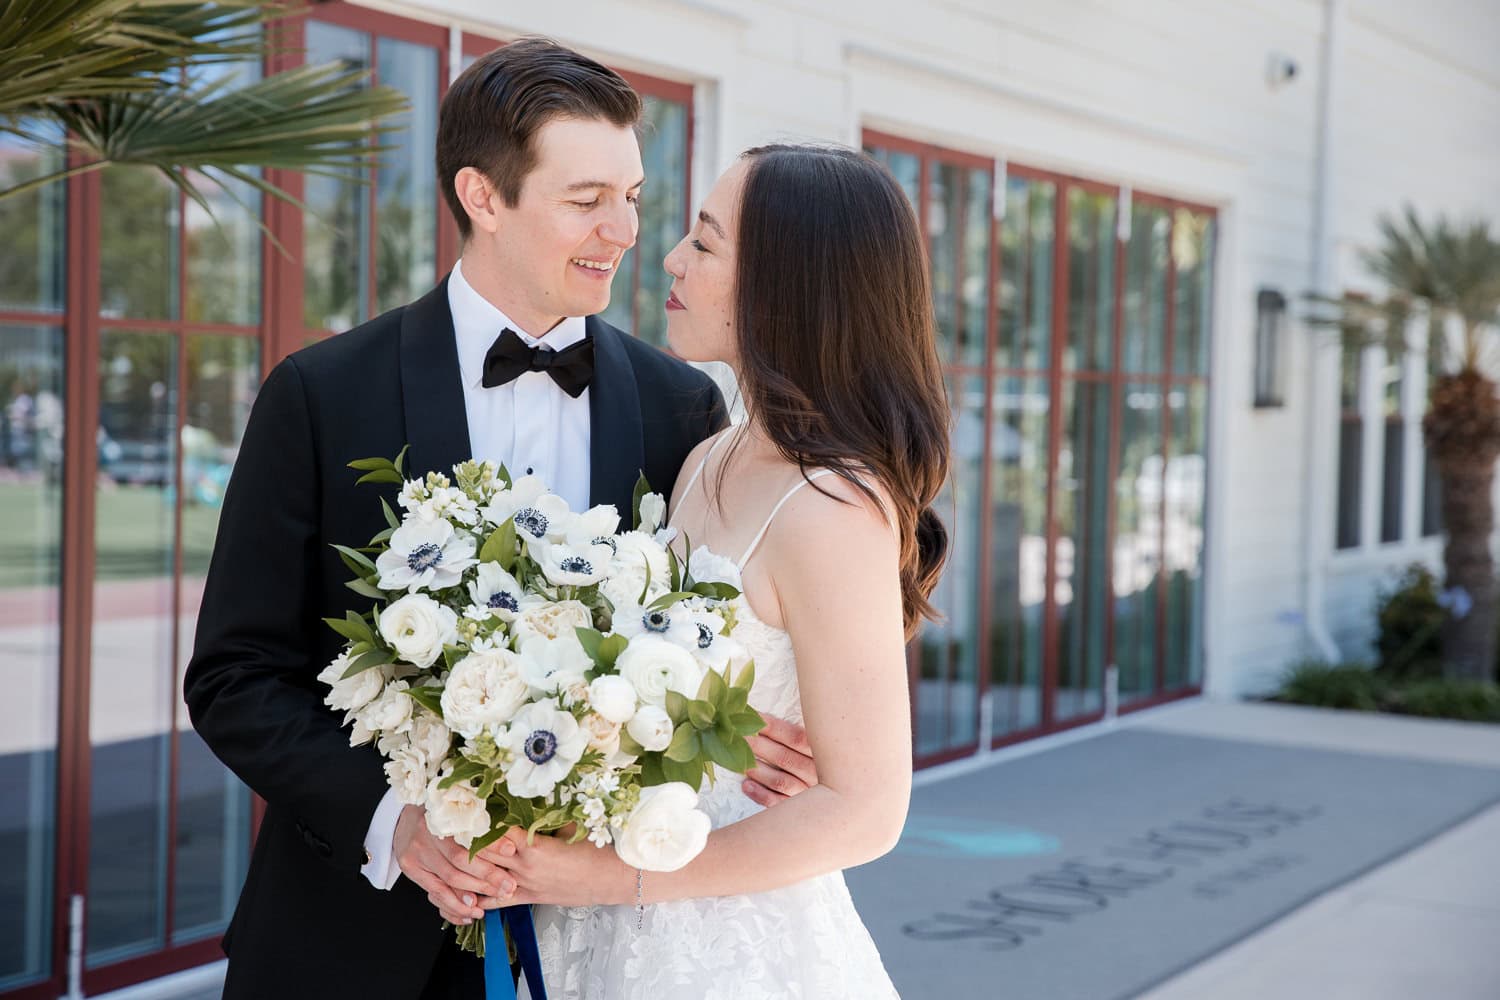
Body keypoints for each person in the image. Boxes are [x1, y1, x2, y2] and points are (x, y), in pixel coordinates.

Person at [183, 39, 818, 1000]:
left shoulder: (684, 406)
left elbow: (707, 630)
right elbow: (235, 675)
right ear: (483, 197)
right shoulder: (320, 393)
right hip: (345, 948)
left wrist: (749, 731)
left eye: (633, 196)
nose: (625, 230)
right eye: (586, 199)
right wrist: (393, 819)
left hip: (597, 945)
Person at [485, 144, 951, 998]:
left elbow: (867, 809)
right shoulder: (708, 455)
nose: (669, 257)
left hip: (730, 944)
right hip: (598, 922)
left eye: (704, 243)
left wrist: (614, 879)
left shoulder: (835, 506)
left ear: (785, 286)